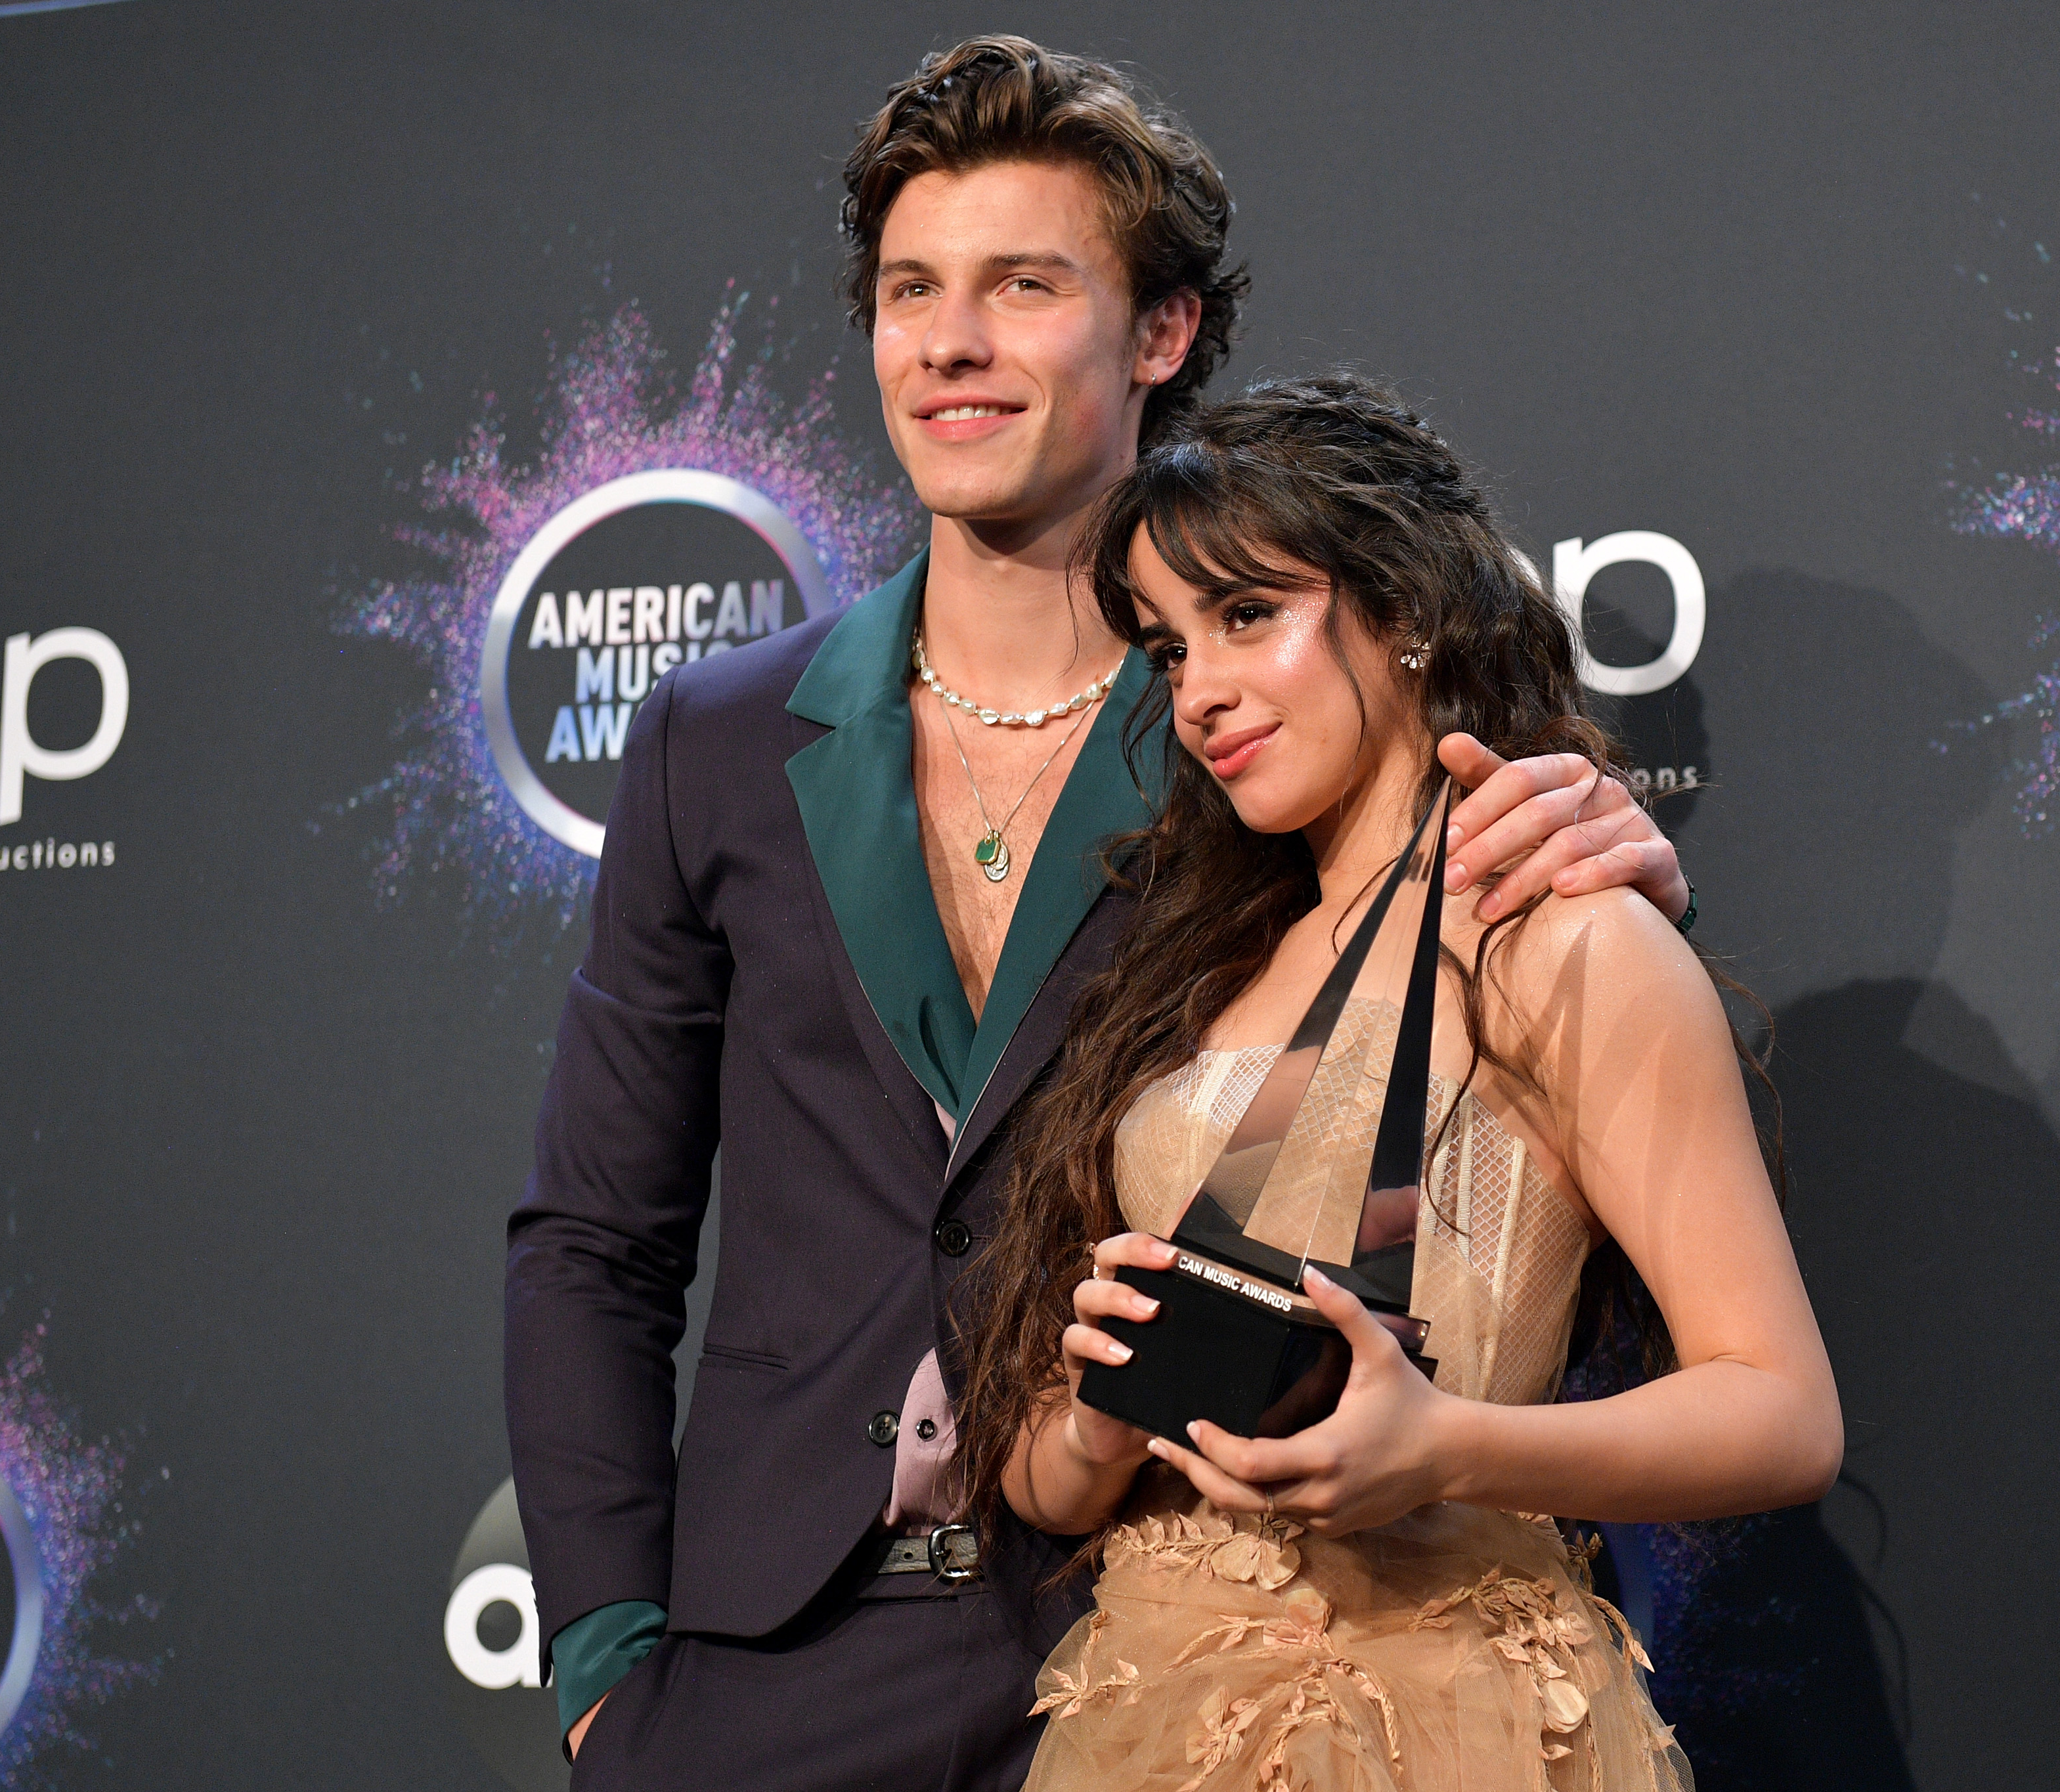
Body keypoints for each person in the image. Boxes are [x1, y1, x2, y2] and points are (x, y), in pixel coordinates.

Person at [504, 39, 1696, 1792]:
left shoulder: (1267, 738)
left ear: (1163, 335)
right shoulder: (717, 741)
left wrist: (1609, 858)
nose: (951, 343)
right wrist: (609, 1659)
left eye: (1022, 285)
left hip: (1154, 1647)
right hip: (765, 1667)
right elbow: (594, 1241)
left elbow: (1489, 1026)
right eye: (912, 290)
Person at [952, 374, 1839, 1791]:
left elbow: (1781, 1412)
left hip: (1446, 1713)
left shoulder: (1559, 933)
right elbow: (1043, 1487)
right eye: (1167, 649)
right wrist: (1097, 1415)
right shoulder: (1194, 961)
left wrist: (1445, 1448)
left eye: (1246, 615)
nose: (1203, 693)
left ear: (1409, 608)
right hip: (1151, 1708)